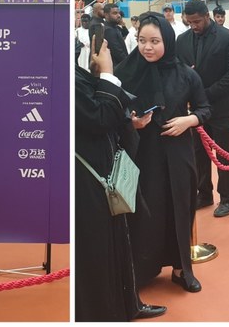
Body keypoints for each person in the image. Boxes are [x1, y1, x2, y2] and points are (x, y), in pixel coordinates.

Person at [116, 12, 211, 293]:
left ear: (167, 41)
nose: (147, 47)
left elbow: (205, 109)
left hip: (178, 152)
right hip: (142, 153)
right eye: (142, 40)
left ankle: (182, 269)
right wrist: (130, 121)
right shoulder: (125, 72)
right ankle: (143, 270)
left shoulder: (186, 74)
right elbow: (112, 110)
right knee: (145, 210)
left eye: (155, 41)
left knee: (180, 208)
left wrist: (188, 120)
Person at [75, 37, 166, 321]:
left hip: (105, 169)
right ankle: (109, 311)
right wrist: (107, 73)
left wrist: (128, 120)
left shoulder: (75, 73)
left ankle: (127, 303)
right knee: (101, 246)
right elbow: (98, 116)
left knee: (119, 237)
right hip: (90, 179)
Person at [176, 0, 229, 218]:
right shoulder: (182, 40)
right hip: (195, 111)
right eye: (189, 22)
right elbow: (177, 68)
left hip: (220, 106)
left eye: (197, 21)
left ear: (207, 16)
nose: (193, 26)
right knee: (198, 155)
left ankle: (228, 197)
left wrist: (206, 94)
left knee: (224, 153)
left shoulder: (228, 38)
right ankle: (203, 193)